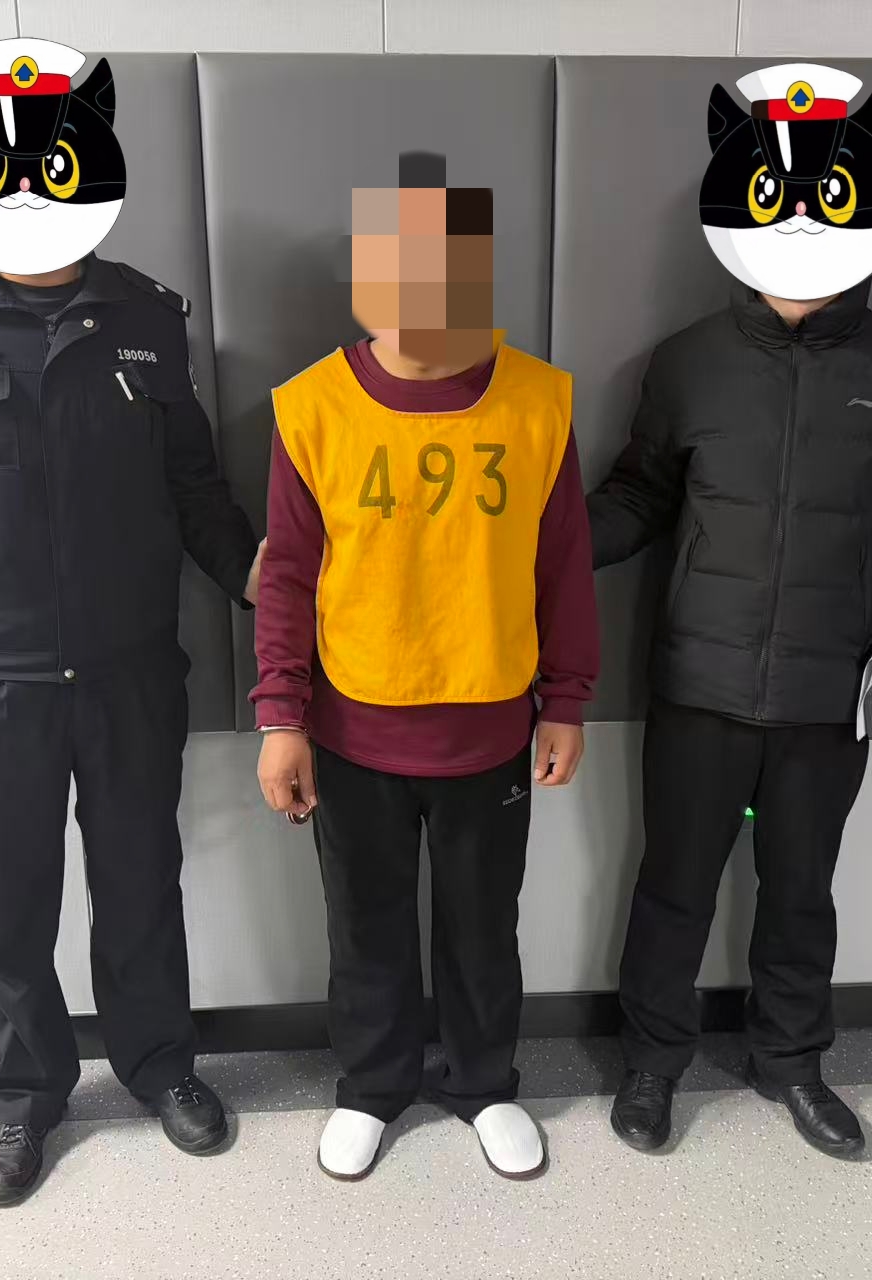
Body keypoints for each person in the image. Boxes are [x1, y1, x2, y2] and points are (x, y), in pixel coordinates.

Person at [0, 37, 263, 1206]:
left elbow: (194, 490)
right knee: (7, 901)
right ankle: (27, 1095)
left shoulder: (146, 318)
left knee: (141, 882)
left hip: (131, 671)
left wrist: (264, 584)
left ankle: (161, 1064)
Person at [592, 64, 872, 1160]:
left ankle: (793, 1063)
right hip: (698, 685)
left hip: (827, 690)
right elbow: (638, 497)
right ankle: (652, 1065)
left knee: (800, 890)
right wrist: (543, 542)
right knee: (673, 886)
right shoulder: (689, 363)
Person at [251, 151, 599, 1181]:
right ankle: (372, 1085)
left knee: (483, 929)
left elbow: (563, 564)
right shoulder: (312, 406)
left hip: (489, 730)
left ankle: (484, 1082)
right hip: (353, 727)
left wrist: (566, 700)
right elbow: (287, 575)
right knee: (365, 927)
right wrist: (281, 716)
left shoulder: (537, 400)